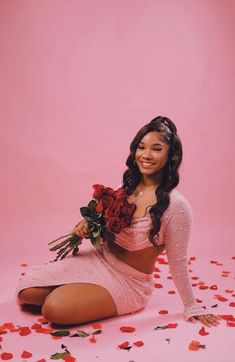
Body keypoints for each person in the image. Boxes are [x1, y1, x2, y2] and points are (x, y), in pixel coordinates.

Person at [17, 116, 220, 327]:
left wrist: (191, 306)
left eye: (156, 149)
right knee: (27, 292)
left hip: (128, 281)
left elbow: (177, 262)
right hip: (99, 259)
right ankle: (76, 292)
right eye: (142, 147)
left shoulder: (176, 206)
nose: (146, 155)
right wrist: (84, 227)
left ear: (171, 156)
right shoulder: (126, 188)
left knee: (54, 309)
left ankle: (75, 295)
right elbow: (103, 226)